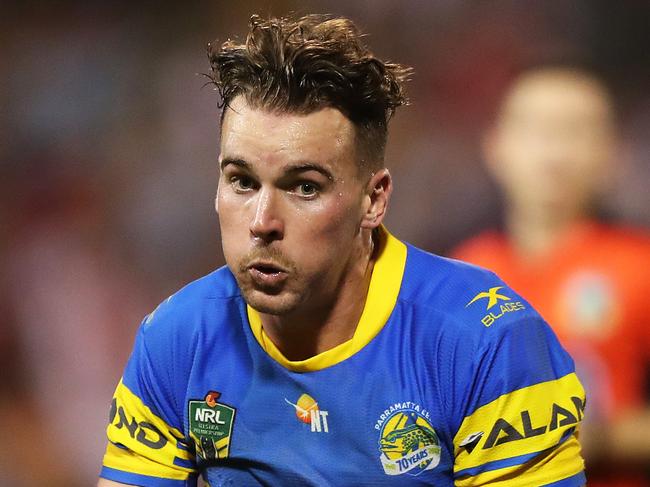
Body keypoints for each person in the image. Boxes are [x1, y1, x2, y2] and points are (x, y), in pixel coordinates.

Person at [98, 15, 586, 486]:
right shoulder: (178, 337)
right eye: (242, 181)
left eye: (304, 188)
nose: (263, 223)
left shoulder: (487, 344)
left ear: (373, 200)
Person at [452, 64, 650, 486]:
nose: (554, 151)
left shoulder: (641, 267)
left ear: (613, 152)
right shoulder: (461, 272)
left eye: (575, 130)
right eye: (535, 128)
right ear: (495, 145)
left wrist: (605, 438)